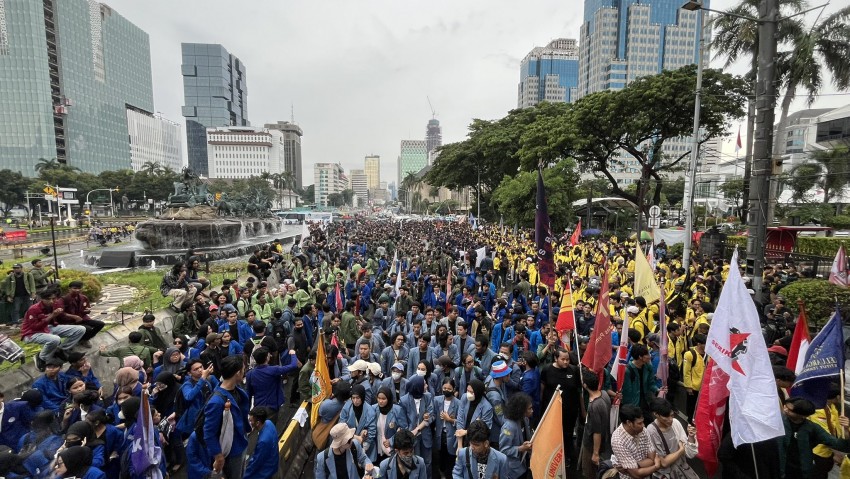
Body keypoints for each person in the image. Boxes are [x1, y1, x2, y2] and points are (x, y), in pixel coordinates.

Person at [187, 354, 251, 479]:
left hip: (240, 440)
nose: (245, 371)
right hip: (232, 451)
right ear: (237, 373)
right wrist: (218, 456)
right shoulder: (216, 402)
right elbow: (209, 432)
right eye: (243, 369)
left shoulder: (236, 390)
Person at [779, 396, 850, 479]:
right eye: (785, 406)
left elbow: (840, 445)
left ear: (803, 415)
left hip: (801, 472)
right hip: (779, 470)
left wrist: (846, 430)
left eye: (789, 409)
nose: (785, 409)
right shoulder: (778, 422)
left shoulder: (812, 428)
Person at [21, 289, 85, 371]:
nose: (51, 301)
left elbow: (54, 321)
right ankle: (41, 357)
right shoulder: (34, 309)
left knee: (81, 329)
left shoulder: (53, 305)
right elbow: (34, 327)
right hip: (31, 333)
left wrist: (57, 315)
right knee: (55, 339)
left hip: (47, 328)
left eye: (54, 298)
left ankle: (61, 350)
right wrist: (52, 316)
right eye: (48, 299)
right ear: (42, 299)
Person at [246, 347, 301, 425]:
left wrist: (248, 412)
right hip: (272, 406)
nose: (270, 356)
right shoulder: (274, 370)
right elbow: (293, 365)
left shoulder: (250, 374)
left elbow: (249, 394)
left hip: (258, 406)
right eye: (268, 355)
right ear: (266, 358)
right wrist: (293, 353)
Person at [646, 397, 699, 479]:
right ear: (656, 414)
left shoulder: (676, 423)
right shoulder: (652, 431)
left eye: (672, 415)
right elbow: (664, 463)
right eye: (666, 417)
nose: (670, 420)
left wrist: (691, 437)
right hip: (666, 475)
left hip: (681, 469)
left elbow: (690, 453)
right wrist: (681, 450)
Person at [610, 404, 662, 478]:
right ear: (629, 423)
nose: (643, 425)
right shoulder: (618, 441)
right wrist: (656, 467)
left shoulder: (642, 430)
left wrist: (636, 465)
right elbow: (636, 474)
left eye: (642, 422)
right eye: (639, 423)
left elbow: (652, 458)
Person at [580, 369, 612, 479]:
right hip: (605, 441)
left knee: (590, 473)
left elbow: (596, 432)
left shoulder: (594, 406)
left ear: (585, 385)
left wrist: (595, 453)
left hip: (591, 445)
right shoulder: (604, 394)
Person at [55, 280, 105, 348]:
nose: (77, 290)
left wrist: (87, 310)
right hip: (69, 321)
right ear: (69, 289)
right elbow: (60, 313)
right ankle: (73, 342)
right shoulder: (63, 300)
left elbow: (87, 309)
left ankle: (84, 339)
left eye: (79, 288)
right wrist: (74, 317)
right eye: (75, 288)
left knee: (100, 324)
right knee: (88, 328)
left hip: (82, 318)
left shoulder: (83, 298)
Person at [339, 384, 378, 462]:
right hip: (349, 442)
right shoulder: (347, 407)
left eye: (358, 398)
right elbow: (341, 424)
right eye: (353, 398)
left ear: (362, 397)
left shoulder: (370, 411)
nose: (355, 401)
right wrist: (355, 437)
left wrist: (364, 448)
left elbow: (372, 431)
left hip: (366, 446)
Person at [499, 392, 533, 479]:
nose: (532, 411)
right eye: (529, 408)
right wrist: (521, 448)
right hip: (513, 471)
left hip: (524, 465)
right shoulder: (508, 427)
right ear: (522, 410)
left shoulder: (525, 419)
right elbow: (504, 450)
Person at [373, 386, 409, 465]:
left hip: (391, 448)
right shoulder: (374, 408)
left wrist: (391, 441)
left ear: (388, 399)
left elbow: (404, 429)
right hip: (377, 445)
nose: (380, 401)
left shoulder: (397, 410)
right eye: (379, 398)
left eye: (383, 399)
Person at [455, 379, 494, 450]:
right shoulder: (464, 397)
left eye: (471, 392)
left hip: (476, 442)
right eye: (468, 390)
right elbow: (460, 419)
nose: (468, 393)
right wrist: (459, 445)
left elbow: (486, 428)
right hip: (462, 438)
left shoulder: (487, 407)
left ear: (477, 392)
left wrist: (466, 431)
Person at [243, 406, 280, 479]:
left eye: (251, 421)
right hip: (273, 463)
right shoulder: (269, 423)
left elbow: (256, 463)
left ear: (257, 423)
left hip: (265, 472)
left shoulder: (263, 441)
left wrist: (243, 476)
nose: (250, 423)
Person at [433, 377, 459, 479]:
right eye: (444, 388)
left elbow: (460, 422)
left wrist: (450, 420)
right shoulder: (436, 400)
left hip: (451, 435)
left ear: (453, 389)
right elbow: (433, 415)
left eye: (449, 389)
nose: (446, 391)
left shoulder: (458, 403)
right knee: (440, 457)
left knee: (451, 458)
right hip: (439, 434)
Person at [682, 334, 706, 420]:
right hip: (694, 388)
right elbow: (686, 372)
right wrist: (688, 386)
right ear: (699, 344)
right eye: (704, 344)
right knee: (691, 407)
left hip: (705, 388)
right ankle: (690, 422)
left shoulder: (709, 354)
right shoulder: (689, 354)